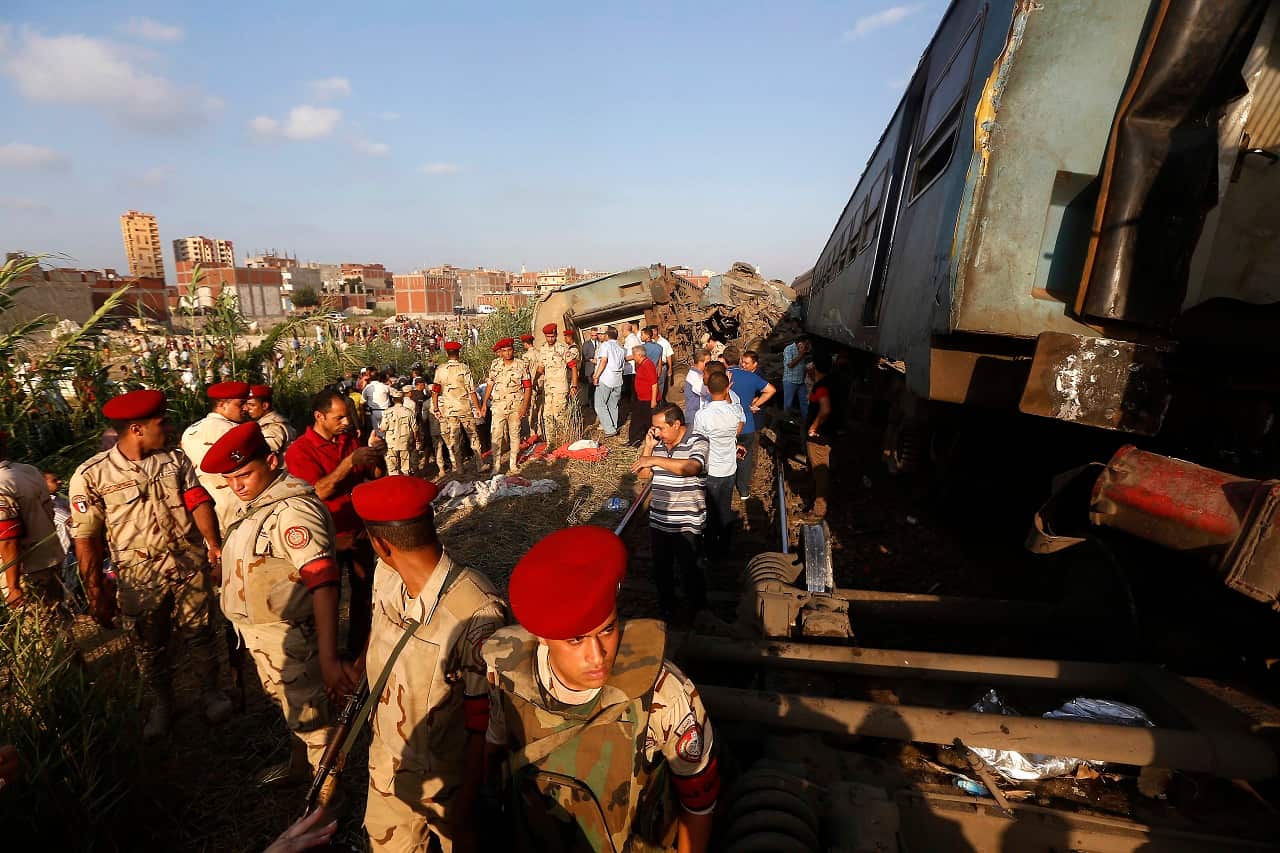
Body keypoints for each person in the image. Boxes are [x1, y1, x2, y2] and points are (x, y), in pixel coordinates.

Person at [483, 526, 719, 853]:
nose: (597, 656)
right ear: (541, 636)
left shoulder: (662, 691)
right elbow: (493, 751)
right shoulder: (506, 678)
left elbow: (698, 797)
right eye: (576, 640)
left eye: (607, 630)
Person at [352, 476, 505, 853]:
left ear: (380, 544)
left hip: (450, 786)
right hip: (388, 766)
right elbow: (379, 632)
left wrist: (466, 815)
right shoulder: (387, 575)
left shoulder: (475, 612)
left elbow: (484, 727)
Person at [69, 390, 232, 739]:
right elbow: (86, 537)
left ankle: (210, 693)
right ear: (136, 429)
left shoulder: (175, 461)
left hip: (187, 565)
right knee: (149, 644)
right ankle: (163, 703)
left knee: (201, 633)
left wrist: (214, 546)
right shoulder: (92, 475)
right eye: (162, 422)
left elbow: (197, 501)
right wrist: (95, 589)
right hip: (140, 577)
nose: (170, 427)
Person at [201, 421, 352, 783]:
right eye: (229, 478)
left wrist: (330, 659)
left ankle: (327, 799)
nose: (236, 486)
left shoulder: (292, 511)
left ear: (271, 462)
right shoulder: (257, 501)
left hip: (291, 635)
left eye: (244, 474)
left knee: (314, 722)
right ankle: (300, 767)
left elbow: (323, 582)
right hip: (265, 635)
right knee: (294, 707)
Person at [285, 388, 385, 657]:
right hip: (325, 538)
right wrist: (349, 463)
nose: (346, 422)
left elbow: (373, 476)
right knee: (327, 597)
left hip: (359, 530)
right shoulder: (299, 451)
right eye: (339, 418)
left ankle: (358, 652)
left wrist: (376, 455)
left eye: (347, 417)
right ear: (319, 416)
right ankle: (324, 656)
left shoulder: (349, 440)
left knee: (364, 593)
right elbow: (319, 491)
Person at [630, 404, 709, 622]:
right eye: (653, 428)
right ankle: (667, 609)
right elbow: (644, 475)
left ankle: (697, 611)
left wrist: (654, 459)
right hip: (659, 521)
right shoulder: (658, 444)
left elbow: (692, 468)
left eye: (660, 428)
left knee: (691, 570)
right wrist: (648, 448)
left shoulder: (697, 440)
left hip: (687, 523)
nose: (656, 432)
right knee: (662, 571)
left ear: (676, 425)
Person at [0, 433, 66, 621]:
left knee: (41, 629)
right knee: (59, 620)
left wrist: (13, 587)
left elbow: (7, 540)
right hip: (50, 558)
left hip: (25, 572)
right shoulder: (28, 471)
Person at [181, 380, 250, 524]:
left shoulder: (189, 431)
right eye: (240, 404)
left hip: (206, 511)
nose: (246, 408)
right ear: (222, 405)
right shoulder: (233, 431)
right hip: (237, 505)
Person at [692, 372, 744, 559]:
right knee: (725, 507)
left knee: (710, 511)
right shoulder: (734, 411)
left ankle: (711, 549)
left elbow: (698, 441)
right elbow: (738, 428)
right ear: (726, 389)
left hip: (711, 468)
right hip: (729, 468)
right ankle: (725, 547)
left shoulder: (702, 415)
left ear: (707, 389)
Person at [724, 347, 776, 501]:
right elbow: (771, 390)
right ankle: (744, 491)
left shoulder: (722, 377)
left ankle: (727, 488)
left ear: (725, 361)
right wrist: (756, 404)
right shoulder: (750, 377)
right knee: (744, 458)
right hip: (747, 426)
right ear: (738, 359)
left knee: (725, 455)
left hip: (726, 426)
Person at [481, 338, 533, 475]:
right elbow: (490, 384)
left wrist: (524, 407)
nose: (507, 353)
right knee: (496, 435)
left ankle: (513, 463)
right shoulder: (495, 364)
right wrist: (484, 404)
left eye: (509, 350)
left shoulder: (521, 365)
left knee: (514, 434)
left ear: (513, 350)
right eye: (504, 351)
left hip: (516, 405)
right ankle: (496, 465)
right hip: (498, 406)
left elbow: (528, 387)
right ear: (501, 352)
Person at [433, 342, 486, 475]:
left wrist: (435, 408)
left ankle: (459, 468)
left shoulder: (440, 370)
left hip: (449, 410)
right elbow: (471, 390)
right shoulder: (464, 368)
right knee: (473, 436)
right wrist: (478, 408)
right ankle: (480, 465)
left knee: (454, 439)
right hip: (464, 409)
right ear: (459, 353)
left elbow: (435, 390)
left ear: (446, 354)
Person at [800, 354, 835, 522]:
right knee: (820, 470)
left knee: (820, 471)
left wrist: (813, 427)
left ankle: (819, 510)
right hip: (828, 433)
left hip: (818, 436)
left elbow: (825, 409)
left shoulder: (821, 386)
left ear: (816, 368)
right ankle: (816, 501)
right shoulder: (833, 383)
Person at [535, 323, 578, 450]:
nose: (550, 339)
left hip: (560, 388)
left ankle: (564, 441)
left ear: (556, 335)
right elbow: (541, 367)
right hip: (548, 389)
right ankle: (551, 443)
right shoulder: (542, 349)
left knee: (560, 415)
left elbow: (573, 367)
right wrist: (534, 381)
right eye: (548, 337)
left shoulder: (563, 349)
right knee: (547, 415)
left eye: (552, 336)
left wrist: (574, 385)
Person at [592, 327, 625, 438]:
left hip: (606, 379)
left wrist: (596, 375)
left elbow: (604, 361)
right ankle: (613, 426)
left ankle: (609, 429)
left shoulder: (605, 345)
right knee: (613, 405)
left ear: (607, 335)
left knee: (600, 405)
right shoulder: (621, 348)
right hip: (618, 379)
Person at [378, 387, 418, 477]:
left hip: (391, 443)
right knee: (405, 467)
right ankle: (406, 484)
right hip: (405, 442)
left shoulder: (387, 412)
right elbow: (415, 429)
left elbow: (383, 428)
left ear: (393, 400)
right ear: (402, 399)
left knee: (392, 468)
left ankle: (394, 485)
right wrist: (416, 440)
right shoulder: (409, 412)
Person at [246, 385, 297, 454]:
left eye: (252, 405)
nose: (247, 409)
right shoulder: (268, 423)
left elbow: (261, 452)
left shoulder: (273, 427)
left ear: (265, 406)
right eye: (247, 405)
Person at [628, 344, 659, 446]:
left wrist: (653, 400)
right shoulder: (641, 364)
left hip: (648, 399)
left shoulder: (648, 364)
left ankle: (655, 441)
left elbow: (654, 383)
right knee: (637, 419)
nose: (633, 357)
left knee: (649, 421)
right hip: (641, 398)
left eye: (634, 355)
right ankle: (634, 440)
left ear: (639, 355)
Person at [781, 336, 810, 421]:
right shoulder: (788, 349)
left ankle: (806, 421)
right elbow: (790, 365)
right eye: (806, 344)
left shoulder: (804, 350)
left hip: (801, 381)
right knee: (788, 404)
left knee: (804, 402)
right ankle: (786, 422)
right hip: (790, 381)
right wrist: (801, 354)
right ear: (800, 343)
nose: (807, 346)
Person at [519, 333, 541, 440]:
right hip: (541, 383)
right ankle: (541, 432)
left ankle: (533, 433)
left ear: (525, 344)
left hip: (531, 384)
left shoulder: (526, 356)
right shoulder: (539, 353)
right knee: (541, 408)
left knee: (531, 408)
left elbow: (524, 371)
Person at [620, 322, 642, 404]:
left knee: (633, 392)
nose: (622, 333)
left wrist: (623, 359)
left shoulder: (633, 339)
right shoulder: (628, 339)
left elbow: (637, 354)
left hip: (632, 370)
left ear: (625, 330)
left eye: (622, 331)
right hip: (628, 370)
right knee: (630, 392)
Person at [653, 326, 675, 398]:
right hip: (652, 367)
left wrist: (670, 368)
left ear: (656, 332)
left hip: (662, 367)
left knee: (661, 385)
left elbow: (669, 355)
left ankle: (660, 401)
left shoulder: (664, 342)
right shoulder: (650, 342)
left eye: (652, 331)